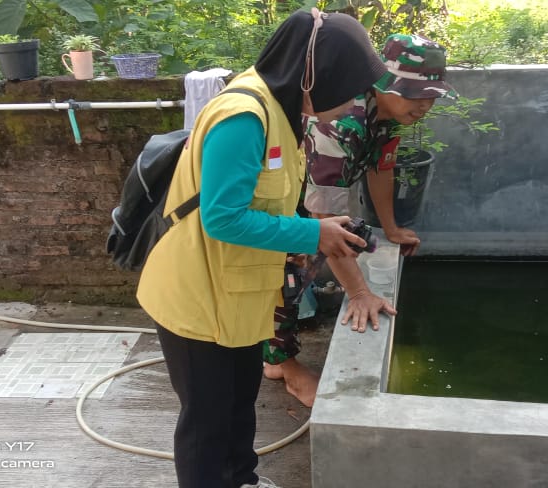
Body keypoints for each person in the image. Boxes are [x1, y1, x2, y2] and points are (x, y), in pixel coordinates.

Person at [136, 9, 388, 488]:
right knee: (206, 421)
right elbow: (222, 217)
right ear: (315, 71)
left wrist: (317, 224)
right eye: (347, 83)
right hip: (196, 297)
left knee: (238, 402)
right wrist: (314, 236)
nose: (351, 98)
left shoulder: (284, 110)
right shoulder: (244, 116)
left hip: (240, 294)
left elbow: (267, 204)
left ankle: (243, 480)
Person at [262, 33, 458, 407]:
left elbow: (381, 169)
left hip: (311, 198)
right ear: (384, 82)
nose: (424, 105)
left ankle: (277, 354)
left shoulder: (387, 114)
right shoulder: (341, 121)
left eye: (431, 95)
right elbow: (323, 219)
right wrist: (359, 293)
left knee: (319, 253)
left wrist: (392, 228)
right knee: (283, 273)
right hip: (279, 199)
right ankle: (284, 366)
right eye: (414, 93)